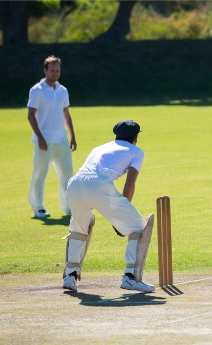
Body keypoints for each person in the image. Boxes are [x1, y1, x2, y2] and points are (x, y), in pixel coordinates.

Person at [62, 120, 156, 293]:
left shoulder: (99, 148)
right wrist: (121, 219)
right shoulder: (136, 151)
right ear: (136, 137)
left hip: (75, 185)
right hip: (99, 185)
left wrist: (118, 217)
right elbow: (129, 185)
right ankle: (131, 278)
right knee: (140, 227)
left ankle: (70, 276)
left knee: (79, 227)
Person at [27, 55, 77, 219]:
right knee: (40, 174)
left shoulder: (63, 90)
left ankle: (69, 206)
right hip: (44, 142)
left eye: (57, 70)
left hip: (61, 140)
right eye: (52, 70)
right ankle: (38, 207)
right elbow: (31, 116)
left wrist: (72, 136)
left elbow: (66, 114)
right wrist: (40, 137)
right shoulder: (37, 90)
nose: (55, 73)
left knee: (67, 174)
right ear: (45, 70)